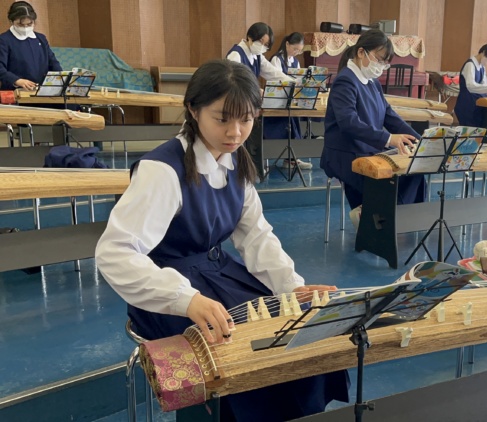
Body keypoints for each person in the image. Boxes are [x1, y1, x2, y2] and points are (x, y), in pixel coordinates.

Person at [95, 59, 349, 421]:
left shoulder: (236, 161)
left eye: (246, 119)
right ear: (193, 110)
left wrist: (291, 287)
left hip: (219, 275)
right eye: (222, 118)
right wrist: (186, 300)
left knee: (296, 338)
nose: (235, 132)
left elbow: (257, 234)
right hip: (168, 292)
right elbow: (114, 253)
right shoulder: (162, 171)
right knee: (241, 357)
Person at [320, 29, 425, 226]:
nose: (382, 66)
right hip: (346, 153)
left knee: (415, 171)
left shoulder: (372, 82)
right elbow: (348, 122)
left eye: (386, 62)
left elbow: (390, 116)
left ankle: (393, 220)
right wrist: (388, 139)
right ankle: (376, 220)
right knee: (388, 180)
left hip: (368, 148)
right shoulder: (346, 80)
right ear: (361, 52)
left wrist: (422, 140)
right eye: (379, 59)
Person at [227, 23, 313, 170]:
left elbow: (272, 73)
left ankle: (287, 157)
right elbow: (235, 82)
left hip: (251, 103)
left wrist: (294, 82)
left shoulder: (257, 56)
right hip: (238, 105)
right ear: (249, 37)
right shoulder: (236, 54)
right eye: (261, 42)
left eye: (266, 45)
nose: (263, 47)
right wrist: (256, 90)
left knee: (287, 115)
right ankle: (252, 162)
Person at [266, 31, 314, 169]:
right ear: (287, 44)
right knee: (286, 122)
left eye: (299, 50)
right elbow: (275, 81)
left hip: (290, 102)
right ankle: (286, 156)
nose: (296, 53)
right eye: (295, 49)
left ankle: (293, 157)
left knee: (294, 119)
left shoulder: (296, 62)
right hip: (276, 103)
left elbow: (298, 80)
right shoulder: (277, 59)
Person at [0, 1, 62, 91]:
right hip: (16, 91)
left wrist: (62, 77)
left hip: (42, 90)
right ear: (11, 21)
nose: (25, 28)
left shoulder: (41, 38)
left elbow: (53, 62)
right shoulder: (4, 40)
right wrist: (17, 80)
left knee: (72, 104)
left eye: (29, 24)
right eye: (20, 24)